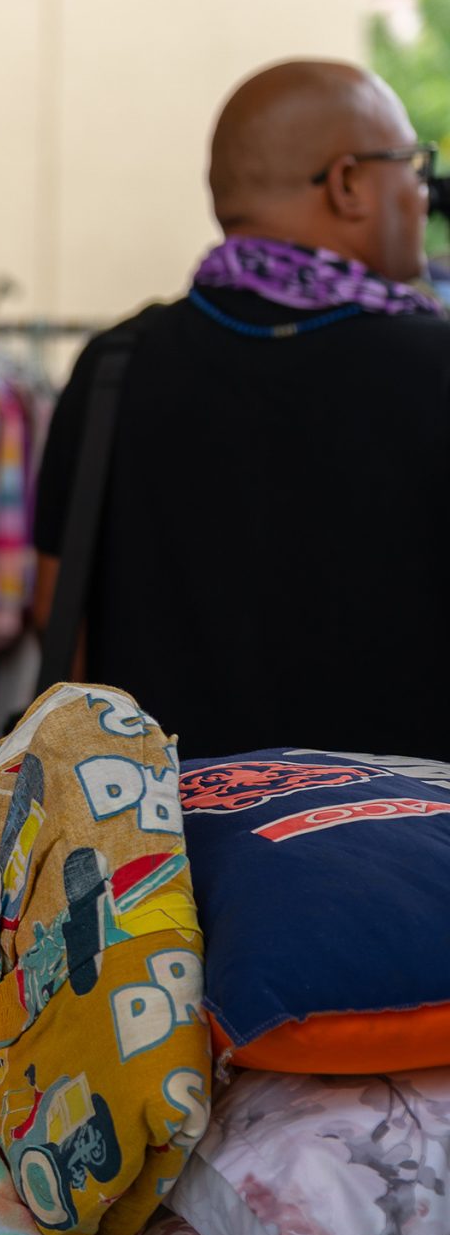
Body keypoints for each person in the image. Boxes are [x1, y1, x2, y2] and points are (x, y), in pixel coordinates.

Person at [34, 57, 450, 760]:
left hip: (165, 853)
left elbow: (57, 619)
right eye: (410, 165)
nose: (423, 194)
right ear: (347, 182)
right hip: (396, 848)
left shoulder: (115, 365)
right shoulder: (438, 365)